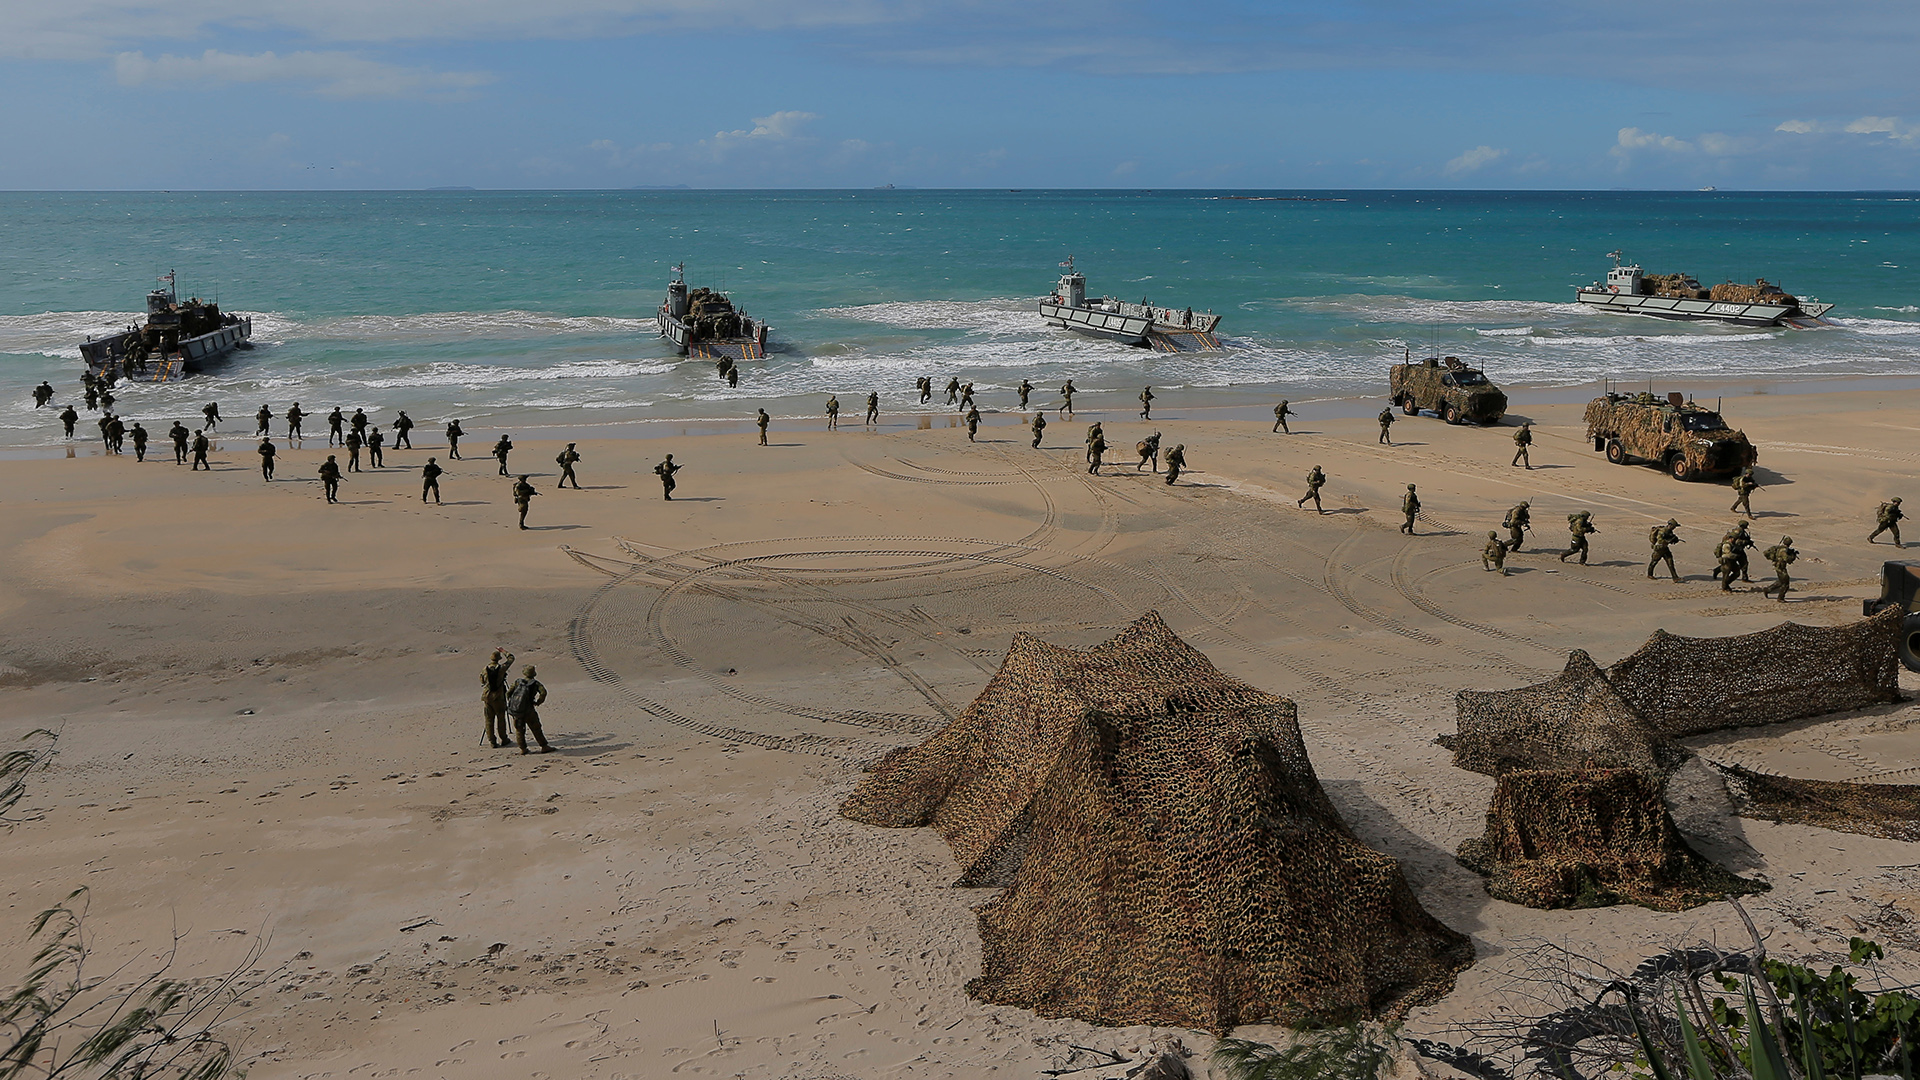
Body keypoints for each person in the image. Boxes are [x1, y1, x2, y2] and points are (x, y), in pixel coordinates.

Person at [505, 665, 553, 754]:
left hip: (517, 710)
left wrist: (513, 703)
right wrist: (538, 702)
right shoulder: (535, 683)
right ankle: (544, 746)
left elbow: (508, 693)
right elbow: (543, 693)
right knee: (536, 728)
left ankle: (523, 749)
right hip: (529, 710)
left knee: (519, 730)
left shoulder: (518, 682)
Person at [481, 650, 516, 747]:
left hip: (487, 697)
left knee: (489, 720)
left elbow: (482, 680)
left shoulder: (485, 669)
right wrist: (503, 651)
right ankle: (504, 739)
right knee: (501, 718)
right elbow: (511, 658)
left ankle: (492, 741)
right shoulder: (501, 668)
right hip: (498, 697)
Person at [1761, 536, 1798, 601]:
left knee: (1781, 582)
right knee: (1786, 584)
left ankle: (1768, 590)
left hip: (1779, 567)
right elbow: (1787, 559)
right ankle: (1780, 597)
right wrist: (1792, 556)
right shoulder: (1783, 550)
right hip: (1780, 568)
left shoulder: (1780, 548)